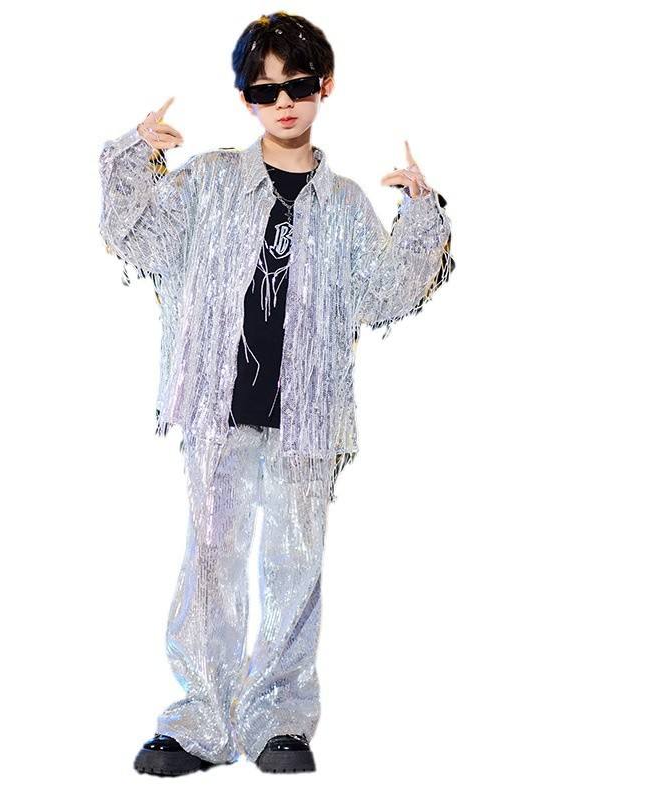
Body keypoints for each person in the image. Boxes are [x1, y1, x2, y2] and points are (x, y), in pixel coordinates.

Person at [98, 11, 455, 776]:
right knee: (211, 561)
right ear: (246, 100)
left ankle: (279, 721)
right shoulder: (209, 181)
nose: (283, 102)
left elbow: (383, 293)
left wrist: (421, 214)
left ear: (325, 87)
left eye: (298, 85)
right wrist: (136, 156)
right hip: (218, 408)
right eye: (265, 91)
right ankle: (200, 720)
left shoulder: (346, 203)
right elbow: (139, 238)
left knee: (295, 566)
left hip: (306, 417)